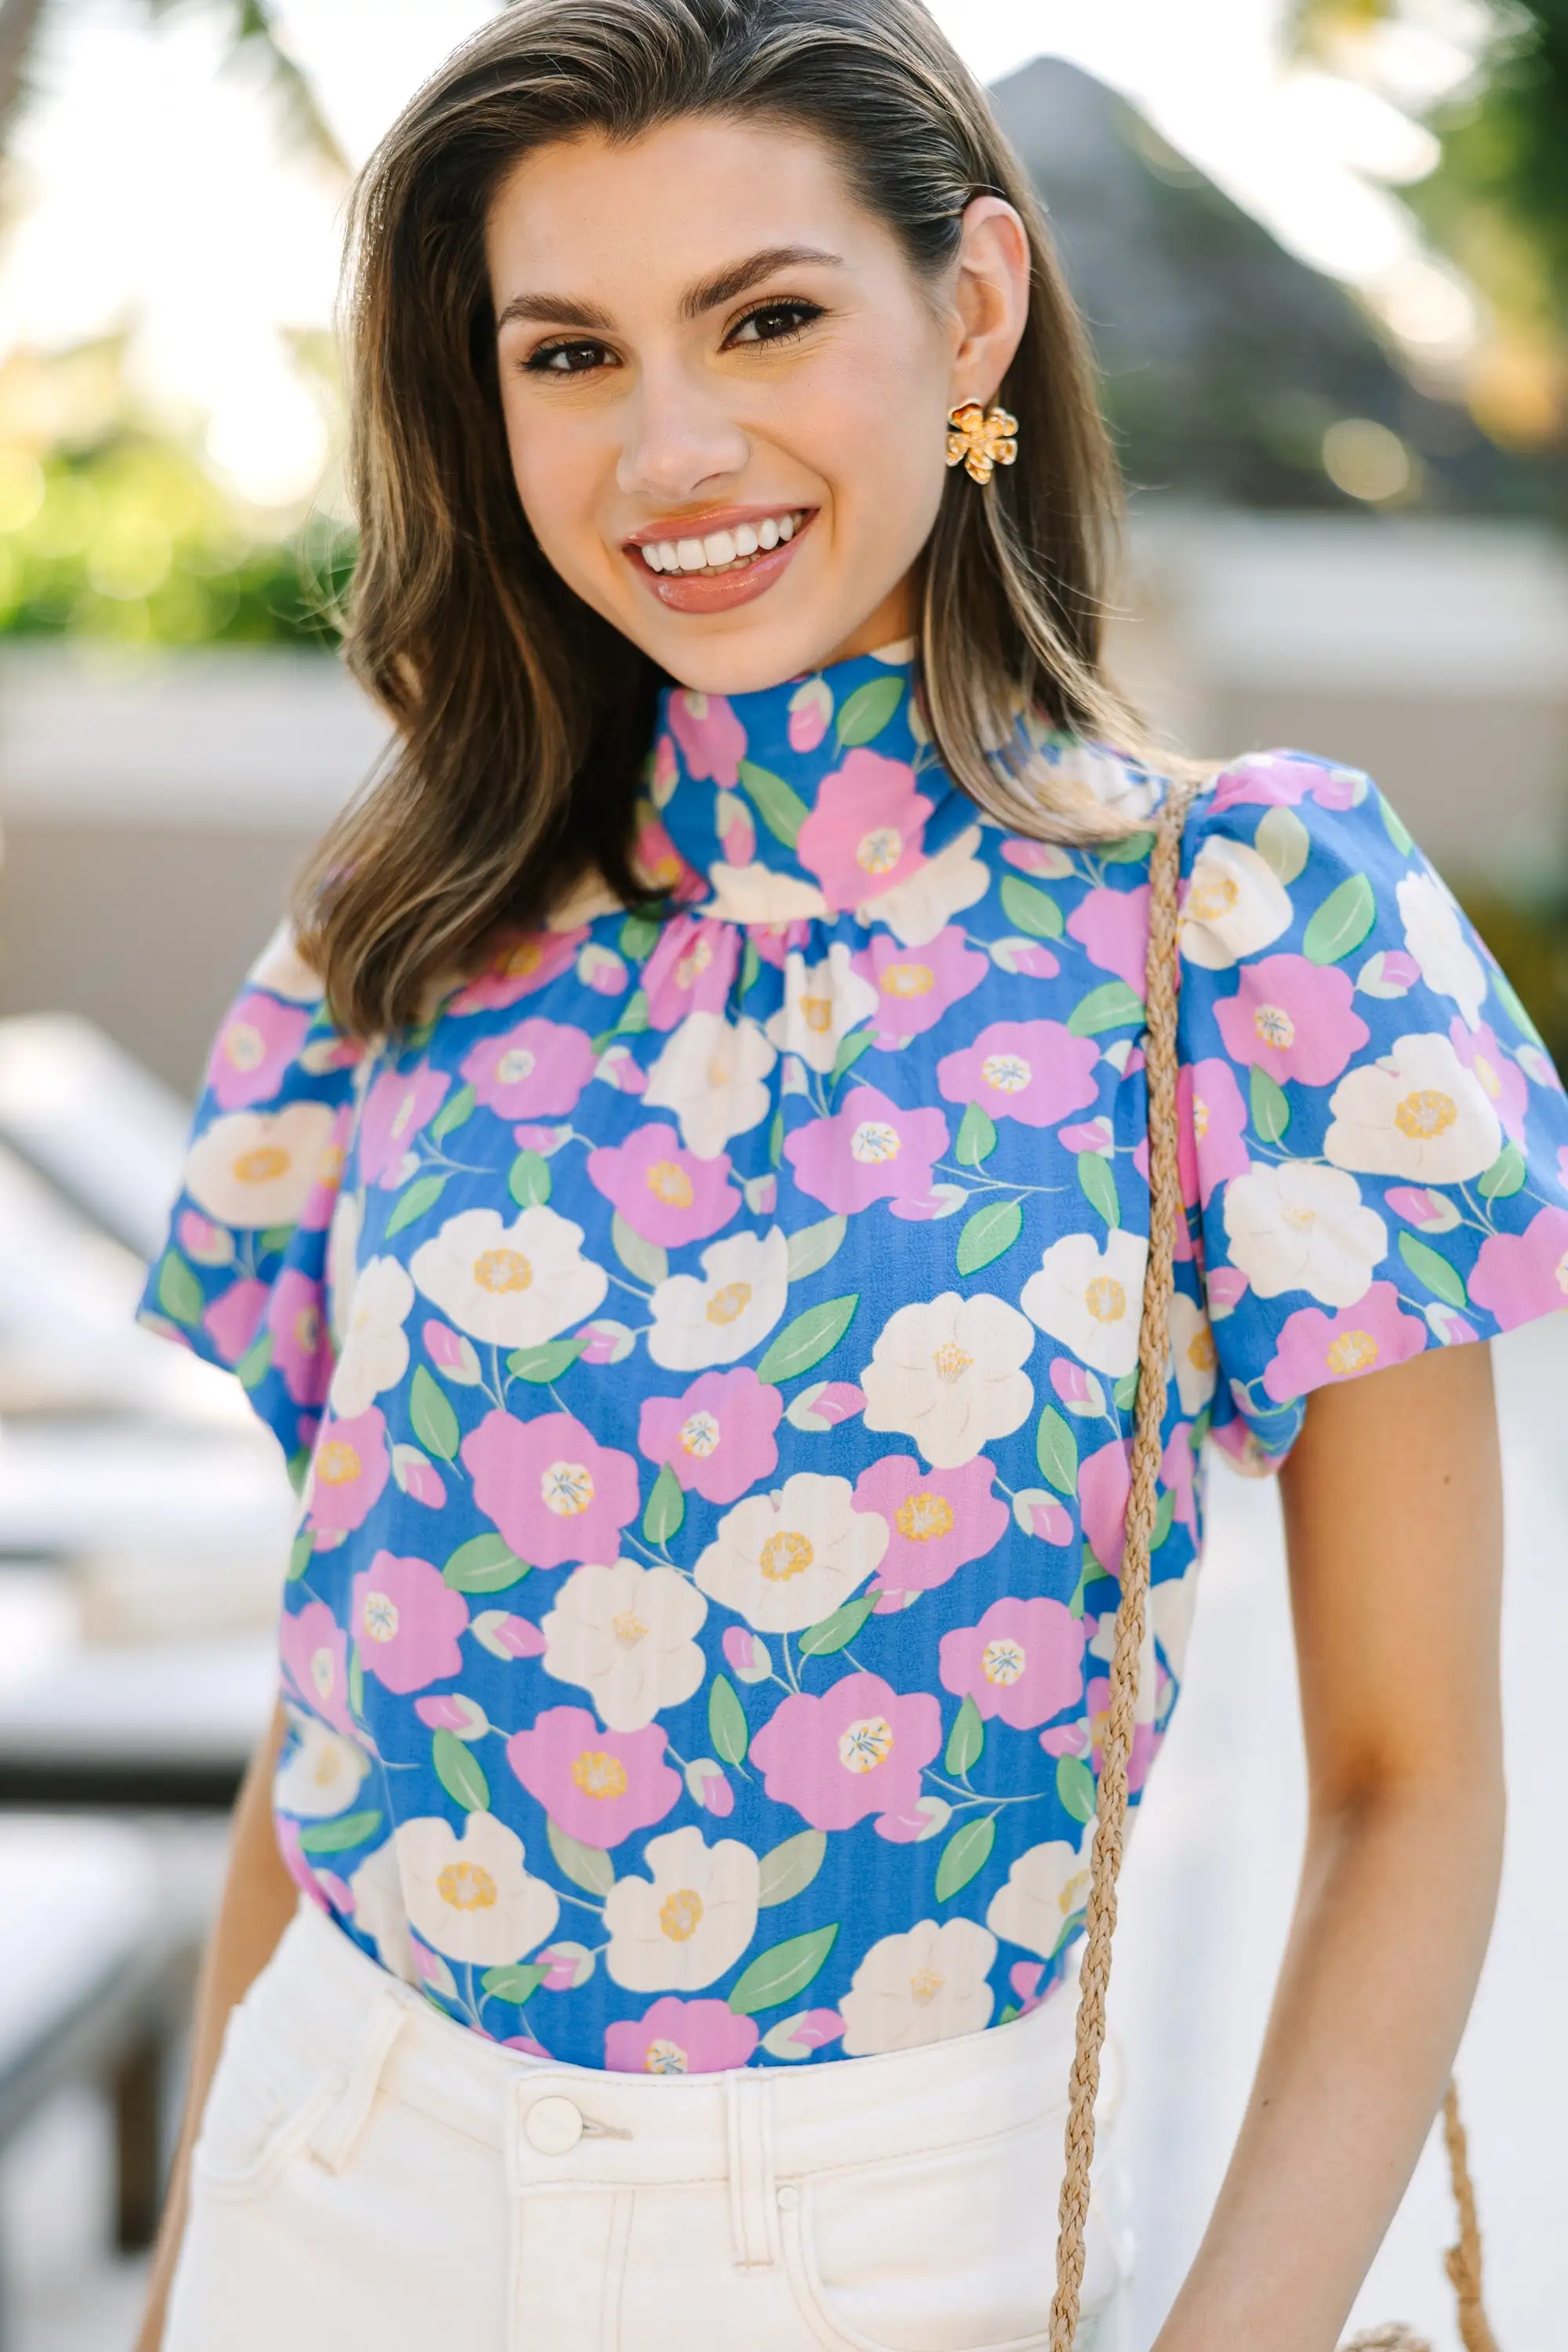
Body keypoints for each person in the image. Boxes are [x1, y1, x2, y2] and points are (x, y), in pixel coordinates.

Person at [132, 2, 1568, 2347]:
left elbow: (1413, 1790)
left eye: (768, 317)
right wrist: (192, 2282)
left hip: (900, 2250)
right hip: (345, 2189)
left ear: (972, 307)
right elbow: (329, 1725)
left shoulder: (1246, 922)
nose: (672, 444)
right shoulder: (402, 935)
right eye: (570, 350)